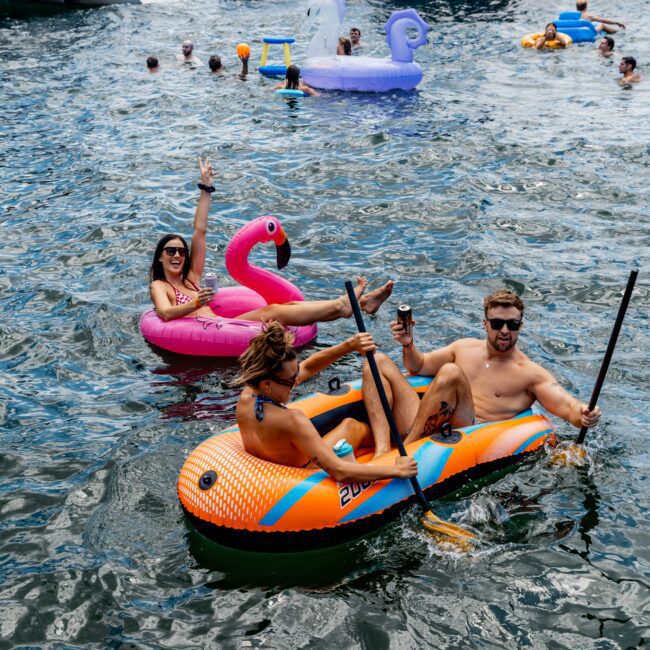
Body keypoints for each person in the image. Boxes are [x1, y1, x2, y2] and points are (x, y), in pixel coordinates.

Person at [360, 290, 602, 457]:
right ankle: (383, 450)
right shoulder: (463, 347)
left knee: (451, 373)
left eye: (512, 325)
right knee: (377, 360)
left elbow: (568, 407)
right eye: (497, 324)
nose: (505, 331)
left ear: (521, 327)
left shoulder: (530, 374)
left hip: (468, 434)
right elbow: (418, 366)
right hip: (430, 420)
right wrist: (408, 343)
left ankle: (404, 451)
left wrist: (584, 414)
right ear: (485, 324)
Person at [149, 159, 393, 324]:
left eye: (181, 251)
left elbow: (199, 231)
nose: (177, 255)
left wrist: (206, 188)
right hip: (211, 330)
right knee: (273, 311)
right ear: (160, 255)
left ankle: (359, 303)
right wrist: (196, 302)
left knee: (286, 305)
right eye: (171, 250)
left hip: (223, 325)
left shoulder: (192, 278)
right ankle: (344, 306)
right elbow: (166, 313)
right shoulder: (160, 286)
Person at [235, 322, 418, 483]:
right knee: (352, 426)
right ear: (267, 383)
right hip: (307, 472)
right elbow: (340, 472)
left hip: (281, 466)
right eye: (291, 380)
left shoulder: (245, 399)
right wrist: (397, 470)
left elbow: (307, 367)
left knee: (352, 423)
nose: (296, 382)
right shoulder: (291, 420)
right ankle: (389, 449)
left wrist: (350, 345)